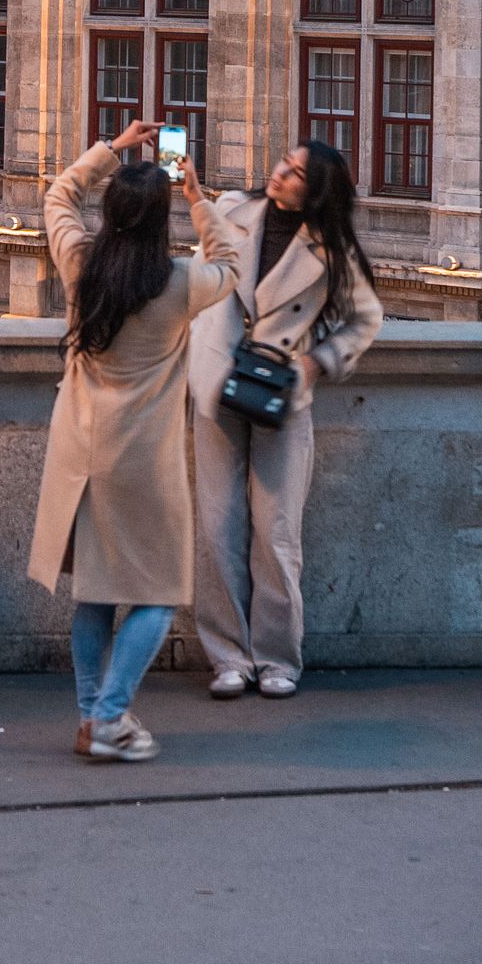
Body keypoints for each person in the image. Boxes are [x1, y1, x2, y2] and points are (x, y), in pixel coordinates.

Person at [33, 123, 247, 760]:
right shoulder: (179, 284)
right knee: (158, 592)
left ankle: (89, 716)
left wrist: (112, 148)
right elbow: (231, 262)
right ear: (159, 220)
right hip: (143, 460)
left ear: (110, 213)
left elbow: (58, 196)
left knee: (95, 590)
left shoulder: (80, 263)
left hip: (80, 449)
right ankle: (110, 718)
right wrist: (197, 195)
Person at [187, 138, 386, 699]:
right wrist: (195, 197)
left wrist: (317, 362)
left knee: (276, 533)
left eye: (297, 173)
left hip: (280, 395)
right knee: (217, 529)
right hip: (218, 381)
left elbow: (366, 319)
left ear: (316, 191)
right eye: (284, 163)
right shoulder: (233, 210)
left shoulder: (331, 249)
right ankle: (228, 656)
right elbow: (201, 277)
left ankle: (277, 658)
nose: (281, 174)